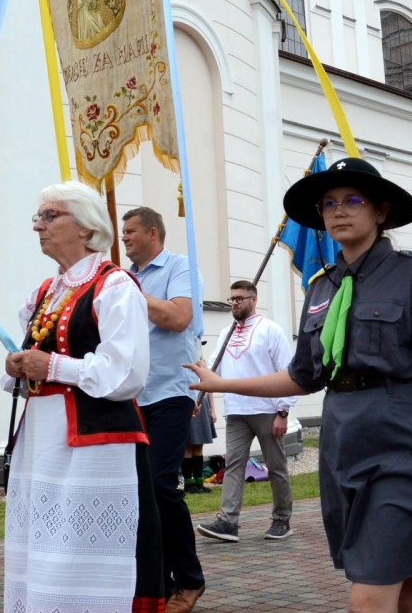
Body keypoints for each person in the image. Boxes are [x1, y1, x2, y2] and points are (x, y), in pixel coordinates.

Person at [187, 157, 412, 613]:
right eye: (329, 203)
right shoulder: (322, 288)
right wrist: (221, 383)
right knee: (410, 583)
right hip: (345, 444)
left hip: (404, 446)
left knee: (370, 594)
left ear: (380, 211)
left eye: (353, 200)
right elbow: (303, 376)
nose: (338, 211)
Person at [3, 182, 163, 613]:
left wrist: (52, 367)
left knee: (77, 545)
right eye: (37, 216)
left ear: (87, 228)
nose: (38, 225)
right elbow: (39, 357)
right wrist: (18, 367)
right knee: (43, 542)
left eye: (50, 215)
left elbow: (127, 374)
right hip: (42, 437)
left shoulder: (114, 286)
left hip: (94, 442)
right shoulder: (44, 292)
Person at [122, 206, 207, 613]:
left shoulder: (180, 266)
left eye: (131, 232)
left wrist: (131, 293)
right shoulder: (123, 278)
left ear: (153, 233)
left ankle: (190, 580)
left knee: (159, 485)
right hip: (131, 396)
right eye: (122, 233)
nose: (124, 239)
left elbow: (178, 317)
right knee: (138, 494)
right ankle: (158, 583)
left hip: (172, 391)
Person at [196, 280, 295, 544]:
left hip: (267, 409)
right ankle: (228, 522)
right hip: (237, 410)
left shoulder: (271, 331)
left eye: (240, 298)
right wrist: (199, 384)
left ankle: (282, 519)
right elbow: (214, 370)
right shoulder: (227, 332)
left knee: (276, 466)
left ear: (253, 299)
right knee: (234, 466)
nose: (235, 303)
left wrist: (283, 411)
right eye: (232, 299)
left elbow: (288, 371)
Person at [182, 358, 216, 495]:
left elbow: (210, 387)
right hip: (190, 404)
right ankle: (188, 483)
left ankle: (199, 482)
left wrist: (212, 410)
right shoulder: (184, 362)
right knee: (189, 444)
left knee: (199, 445)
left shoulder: (202, 364)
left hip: (203, 405)